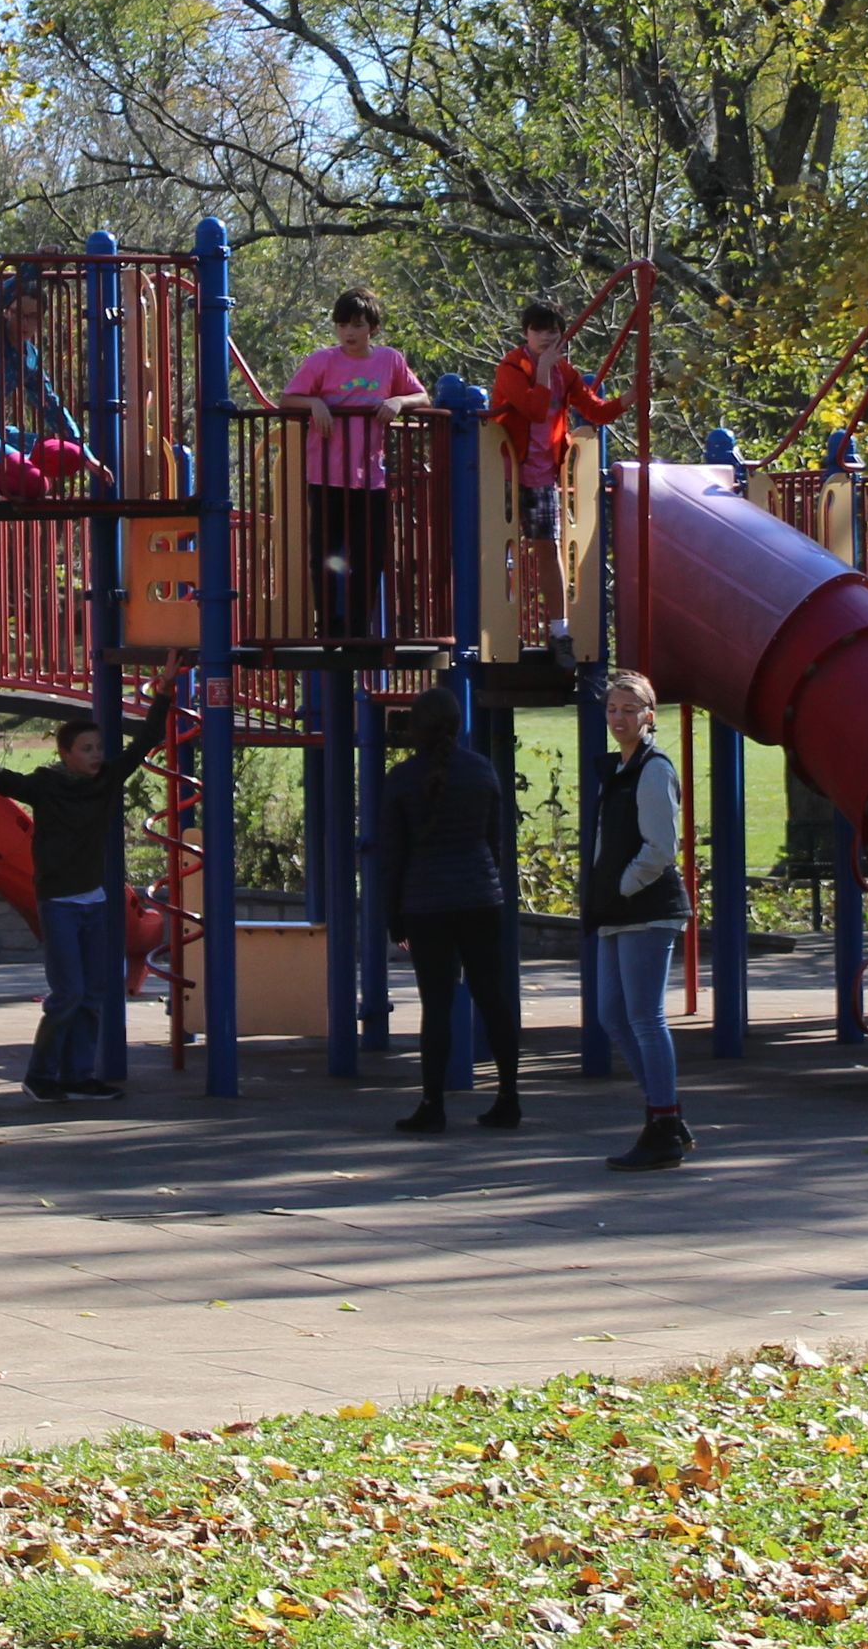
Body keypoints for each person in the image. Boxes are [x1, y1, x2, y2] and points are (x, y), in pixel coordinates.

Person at [0, 707, 166, 1102]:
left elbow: (142, 744)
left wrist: (166, 692)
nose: (96, 755)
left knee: (94, 992)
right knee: (69, 992)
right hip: (59, 902)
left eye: (99, 748)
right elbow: (4, 782)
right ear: (65, 754)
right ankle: (40, 1075)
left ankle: (78, 1075)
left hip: (95, 900)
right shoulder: (47, 784)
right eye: (86, 748)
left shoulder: (105, 780)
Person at [380, 694, 523, 1134]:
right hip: (481, 896)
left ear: (414, 730)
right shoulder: (482, 771)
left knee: (436, 1005)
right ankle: (508, 1096)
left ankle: (432, 1103)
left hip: (426, 902)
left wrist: (394, 915)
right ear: (457, 726)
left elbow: (393, 854)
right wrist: (487, 882)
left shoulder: (401, 779)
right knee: (493, 998)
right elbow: (495, 838)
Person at [584, 668, 692, 1171]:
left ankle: (663, 1123)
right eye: (612, 709)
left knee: (645, 1017)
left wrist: (622, 885)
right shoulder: (620, 768)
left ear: (649, 716)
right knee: (612, 1014)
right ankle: (664, 1110)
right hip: (615, 910)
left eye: (630, 709)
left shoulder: (653, 769)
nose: (619, 718)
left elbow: (661, 849)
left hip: (647, 909)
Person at [280, 288, 428, 640]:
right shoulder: (322, 361)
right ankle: (329, 626)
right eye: (343, 324)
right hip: (326, 474)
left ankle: (360, 629)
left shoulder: (390, 360)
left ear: (372, 328)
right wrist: (314, 403)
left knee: (370, 554)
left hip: (370, 477)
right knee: (326, 553)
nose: (349, 332)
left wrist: (397, 402)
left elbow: (421, 395)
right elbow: (288, 398)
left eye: (357, 325)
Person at [486, 300, 625, 656]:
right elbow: (532, 410)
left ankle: (559, 631)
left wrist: (630, 397)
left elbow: (595, 410)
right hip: (505, 473)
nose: (546, 337)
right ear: (525, 334)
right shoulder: (512, 367)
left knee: (548, 549)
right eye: (538, 331)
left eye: (553, 331)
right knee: (502, 549)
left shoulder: (565, 372)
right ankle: (498, 628)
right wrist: (544, 369)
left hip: (541, 476)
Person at [0, 273, 95, 501]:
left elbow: (49, 402)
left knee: (72, 455)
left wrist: (87, 453)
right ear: (7, 312)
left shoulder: (29, 356)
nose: (24, 324)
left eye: (32, 317)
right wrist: (32, 267)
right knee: (37, 484)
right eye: (19, 314)